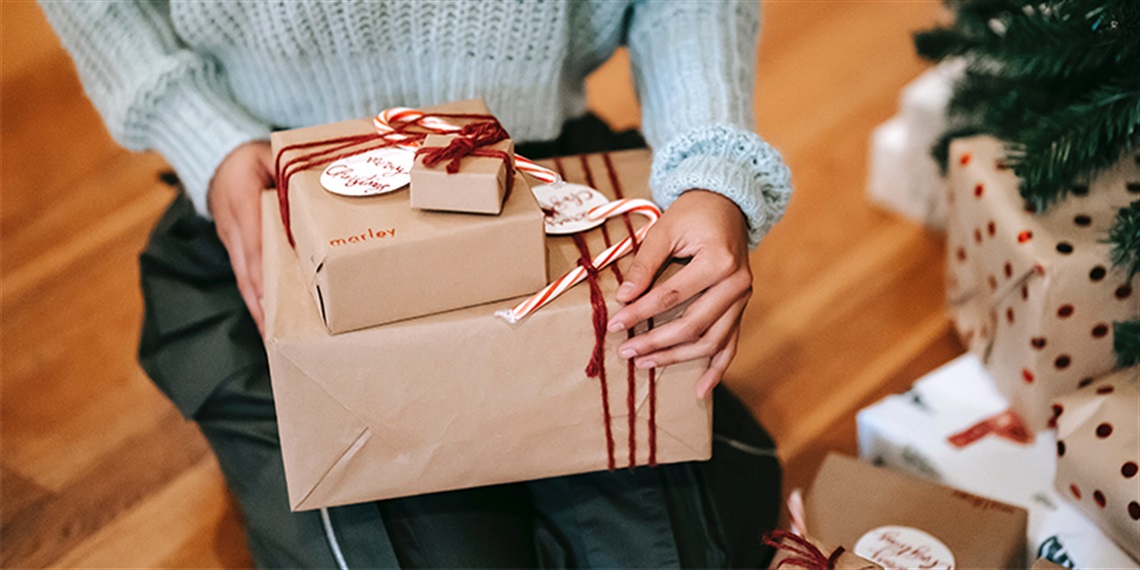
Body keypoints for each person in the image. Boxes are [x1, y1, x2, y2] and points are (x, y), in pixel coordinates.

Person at [41, 1, 792, 567]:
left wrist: (710, 174)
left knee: (683, 551)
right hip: (282, 178)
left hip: (528, 169)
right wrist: (198, 130)